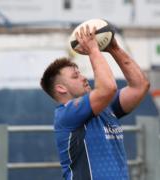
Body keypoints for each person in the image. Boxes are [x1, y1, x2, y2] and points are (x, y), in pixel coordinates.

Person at [40, 25, 150, 180]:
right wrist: (93, 50)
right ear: (61, 88)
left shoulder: (106, 107)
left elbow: (140, 86)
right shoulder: (67, 114)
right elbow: (108, 88)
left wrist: (114, 48)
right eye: (75, 76)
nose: (84, 77)